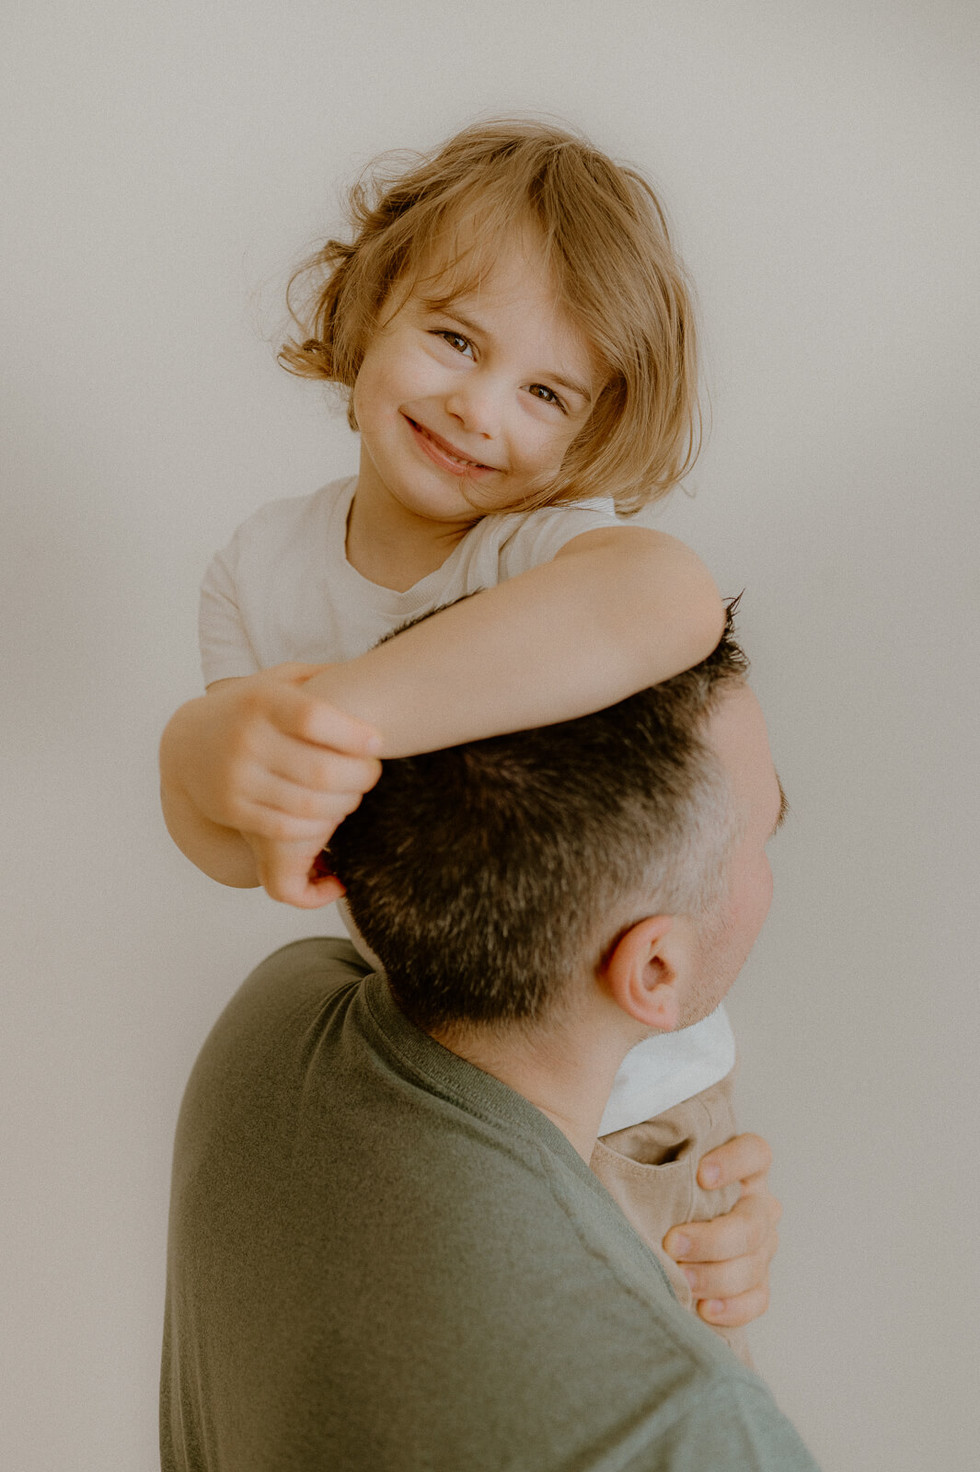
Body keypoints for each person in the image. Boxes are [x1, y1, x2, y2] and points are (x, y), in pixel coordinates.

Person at [159, 120, 766, 1344]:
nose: (477, 408)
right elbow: (234, 840)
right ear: (373, 306)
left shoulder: (531, 549)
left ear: (590, 430)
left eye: (544, 392)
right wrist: (208, 754)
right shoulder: (261, 565)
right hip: (438, 1066)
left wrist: (348, 710)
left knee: (639, 1377)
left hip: (634, 1097)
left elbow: (667, 599)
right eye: (453, 338)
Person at [160, 617, 818, 1470]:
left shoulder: (275, 1020)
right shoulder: (685, 1426)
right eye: (765, 830)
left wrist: (646, 1261)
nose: (774, 848)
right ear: (653, 970)